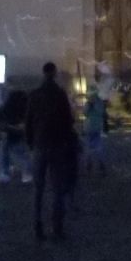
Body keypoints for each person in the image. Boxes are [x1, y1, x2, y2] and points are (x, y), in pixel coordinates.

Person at [25, 60, 75, 240]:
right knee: (57, 188)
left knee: (38, 188)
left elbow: (28, 121)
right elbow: (68, 121)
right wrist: (67, 141)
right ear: (54, 73)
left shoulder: (35, 94)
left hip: (39, 144)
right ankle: (57, 226)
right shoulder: (60, 95)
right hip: (57, 145)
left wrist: (31, 142)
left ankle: (37, 224)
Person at [83, 86, 107, 173]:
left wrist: (93, 105)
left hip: (96, 128)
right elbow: (85, 113)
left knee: (98, 147)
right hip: (89, 128)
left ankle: (101, 163)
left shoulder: (99, 102)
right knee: (89, 147)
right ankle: (90, 163)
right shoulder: (88, 103)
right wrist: (89, 105)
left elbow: (101, 112)